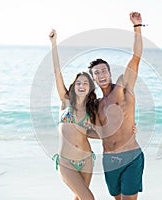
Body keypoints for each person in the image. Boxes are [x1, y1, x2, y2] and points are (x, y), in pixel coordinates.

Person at [88, 12, 145, 200]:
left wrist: (137, 27)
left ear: (110, 73)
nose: (101, 74)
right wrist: (70, 132)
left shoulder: (122, 87)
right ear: (94, 78)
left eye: (104, 70)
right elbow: (98, 132)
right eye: (97, 73)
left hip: (131, 156)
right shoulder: (96, 104)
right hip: (109, 161)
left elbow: (136, 58)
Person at [49, 29, 97, 200]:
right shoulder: (65, 101)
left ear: (90, 88)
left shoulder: (92, 109)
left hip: (86, 160)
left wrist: (129, 130)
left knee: (80, 198)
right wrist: (54, 44)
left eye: (86, 83)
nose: (82, 85)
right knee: (88, 198)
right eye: (79, 82)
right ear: (74, 86)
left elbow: (96, 132)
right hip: (66, 162)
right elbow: (56, 72)